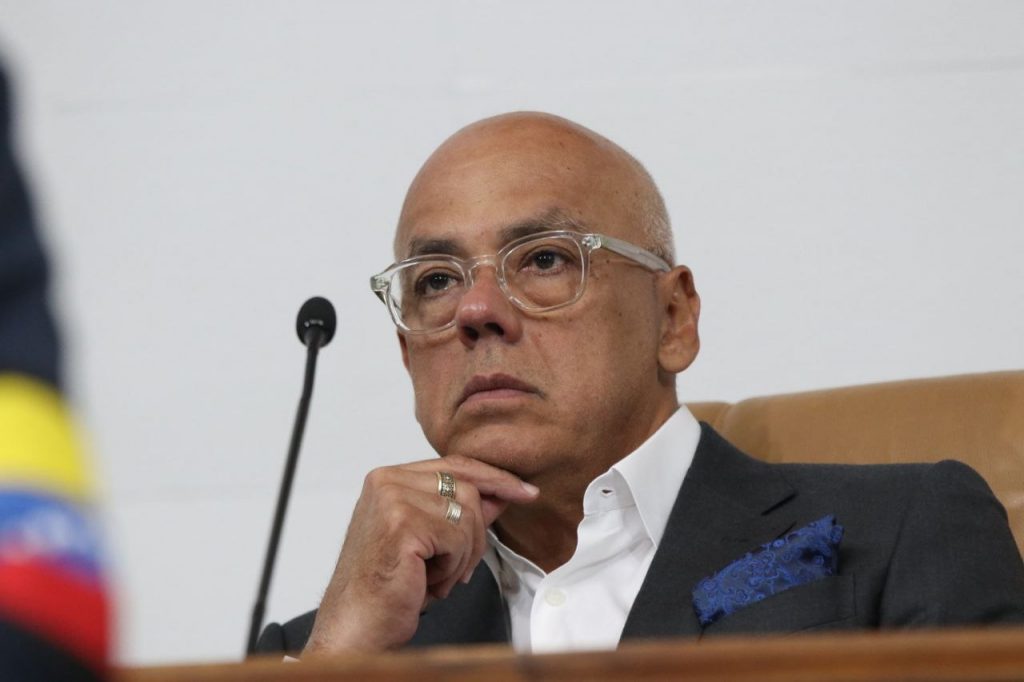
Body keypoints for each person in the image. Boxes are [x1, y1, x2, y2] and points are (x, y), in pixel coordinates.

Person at [256, 112, 1024, 657]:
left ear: (673, 317)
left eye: (545, 259)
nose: (476, 311)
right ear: (406, 352)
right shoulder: (330, 646)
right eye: (435, 280)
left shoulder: (901, 534)